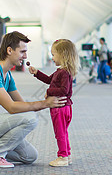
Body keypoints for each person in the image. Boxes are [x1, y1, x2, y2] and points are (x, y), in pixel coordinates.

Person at [0, 31, 67, 168]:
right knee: (31, 118)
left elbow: (21, 105)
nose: (25, 56)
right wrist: (44, 104)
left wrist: (46, 101)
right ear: (9, 50)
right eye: (22, 51)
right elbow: (11, 107)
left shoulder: (7, 75)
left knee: (29, 156)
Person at [28, 39, 78, 167]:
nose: (52, 57)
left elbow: (64, 90)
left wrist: (49, 92)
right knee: (64, 132)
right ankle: (67, 154)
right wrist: (37, 73)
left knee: (59, 133)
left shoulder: (64, 72)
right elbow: (49, 80)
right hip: (65, 107)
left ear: (63, 55)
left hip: (60, 108)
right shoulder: (61, 71)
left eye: (54, 54)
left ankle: (62, 157)